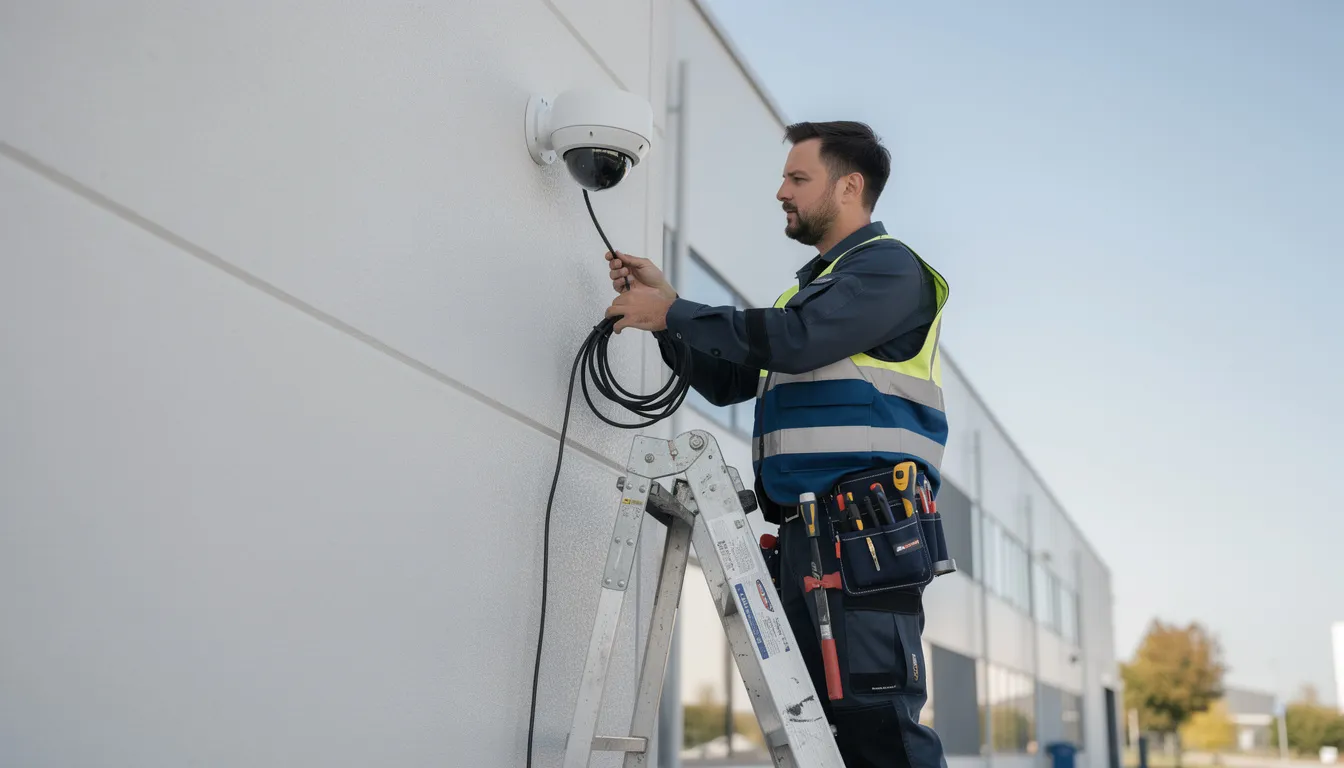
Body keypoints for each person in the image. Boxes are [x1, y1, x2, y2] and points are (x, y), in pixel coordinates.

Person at [603, 120, 950, 768]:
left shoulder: (888, 271)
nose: (781, 192)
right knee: (821, 734)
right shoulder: (813, 296)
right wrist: (665, 311)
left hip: (865, 533)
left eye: (797, 177)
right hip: (808, 538)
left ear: (849, 186)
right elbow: (732, 379)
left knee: (876, 727)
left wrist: (674, 310)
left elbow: (794, 340)